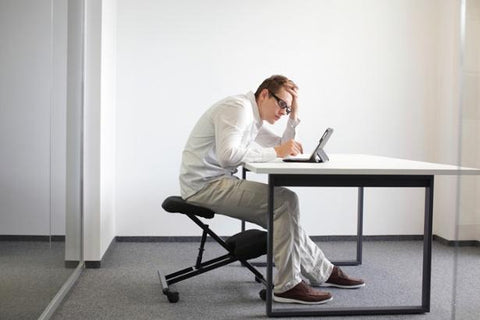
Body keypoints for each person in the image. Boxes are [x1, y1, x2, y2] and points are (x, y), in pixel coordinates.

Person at [179, 75, 365, 304]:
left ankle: (322, 271)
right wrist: (278, 152)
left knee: (284, 212)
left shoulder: (252, 116)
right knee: (285, 202)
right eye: (282, 105)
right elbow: (228, 157)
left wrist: (293, 119)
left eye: (287, 108)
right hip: (204, 186)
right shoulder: (238, 109)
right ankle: (288, 285)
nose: (283, 112)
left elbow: (280, 145)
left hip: (215, 181)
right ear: (265, 94)